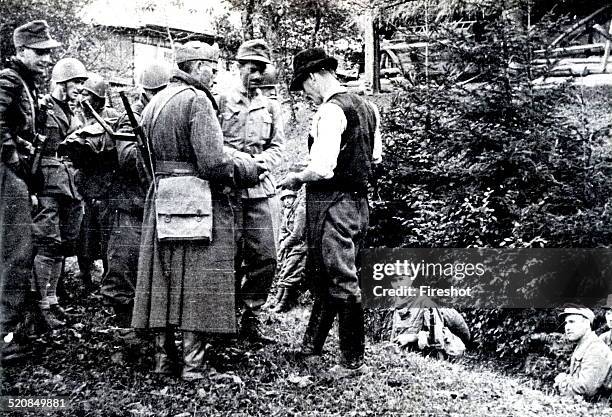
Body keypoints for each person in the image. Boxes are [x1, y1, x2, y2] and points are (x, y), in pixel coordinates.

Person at [131, 42, 261, 380]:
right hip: (198, 202)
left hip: (161, 198)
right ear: (197, 66)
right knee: (199, 282)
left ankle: (163, 361)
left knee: (161, 281)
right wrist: (248, 169)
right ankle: (194, 366)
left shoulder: (154, 102)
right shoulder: (197, 100)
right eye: (212, 66)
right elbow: (213, 163)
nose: (215, 72)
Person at [280, 47, 382, 377]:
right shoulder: (367, 107)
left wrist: (296, 177)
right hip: (357, 205)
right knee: (325, 275)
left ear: (313, 77)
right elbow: (375, 158)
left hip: (333, 206)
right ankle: (311, 348)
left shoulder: (330, 111)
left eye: (303, 87)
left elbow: (322, 168)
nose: (304, 95)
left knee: (342, 278)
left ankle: (352, 361)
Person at [0, 19, 59, 363]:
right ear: (21, 51)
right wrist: (15, 156)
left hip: (18, 176)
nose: (47, 59)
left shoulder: (28, 84)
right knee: (15, 253)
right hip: (7, 175)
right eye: (40, 53)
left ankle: (14, 327)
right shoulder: (9, 80)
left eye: (49, 54)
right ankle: (5, 336)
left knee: (18, 252)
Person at [218, 39, 285, 342]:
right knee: (226, 255)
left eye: (262, 70)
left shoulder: (270, 105)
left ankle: (252, 314)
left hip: (259, 189)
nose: (257, 75)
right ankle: (225, 316)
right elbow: (211, 142)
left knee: (266, 257)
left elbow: (278, 146)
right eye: (252, 68)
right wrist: (236, 163)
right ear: (238, 67)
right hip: (227, 189)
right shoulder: (220, 100)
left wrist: (258, 164)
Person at [99, 61, 171, 328]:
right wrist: (150, 145)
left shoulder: (163, 112)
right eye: (158, 91)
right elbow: (127, 156)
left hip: (155, 205)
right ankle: (124, 329)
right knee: (124, 266)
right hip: (130, 205)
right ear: (147, 93)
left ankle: (147, 326)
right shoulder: (131, 116)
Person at [32, 57, 87, 329]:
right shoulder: (43, 109)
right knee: (47, 243)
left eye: (81, 83)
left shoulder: (73, 112)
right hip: (45, 184)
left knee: (63, 244)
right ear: (62, 83)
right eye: (76, 82)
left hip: (67, 183)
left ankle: (53, 301)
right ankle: (41, 307)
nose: (80, 88)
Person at [73, 72, 119, 292]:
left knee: (108, 238)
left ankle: (109, 282)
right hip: (83, 185)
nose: (83, 98)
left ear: (99, 98)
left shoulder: (112, 116)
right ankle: (85, 278)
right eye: (82, 93)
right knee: (84, 238)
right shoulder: (77, 118)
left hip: (106, 187)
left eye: (88, 94)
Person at [553, 306, 612, 397]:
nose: (567, 327)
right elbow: (576, 380)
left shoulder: (595, 349)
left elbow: (585, 390)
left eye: (572, 322)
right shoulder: (584, 346)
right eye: (566, 323)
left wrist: (561, 382)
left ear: (587, 323)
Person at [271, 188, 307, 313]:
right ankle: (276, 300)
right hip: (289, 245)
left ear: (295, 198)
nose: (287, 201)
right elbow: (283, 229)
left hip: (299, 246)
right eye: (285, 198)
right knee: (283, 270)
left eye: (289, 198)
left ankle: (282, 304)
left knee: (290, 272)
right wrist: (281, 241)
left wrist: (285, 243)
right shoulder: (288, 212)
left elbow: (297, 234)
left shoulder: (300, 211)